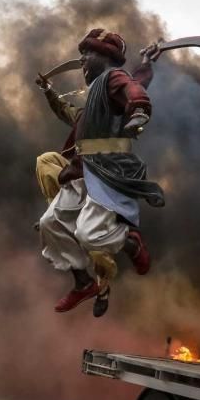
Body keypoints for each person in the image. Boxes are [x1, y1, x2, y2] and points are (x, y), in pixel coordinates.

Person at [34, 28, 165, 315]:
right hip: (81, 171)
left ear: (106, 57)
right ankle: (83, 283)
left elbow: (134, 88)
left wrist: (139, 109)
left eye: (88, 54)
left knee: (90, 236)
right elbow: (67, 112)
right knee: (49, 224)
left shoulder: (111, 78)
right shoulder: (91, 106)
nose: (82, 60)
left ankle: (131, 243)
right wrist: (48, 92)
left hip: (106, 171)